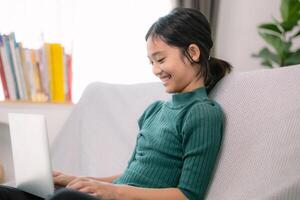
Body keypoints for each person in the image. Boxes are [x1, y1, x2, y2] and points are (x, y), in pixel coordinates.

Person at [0, 7, 231, 200]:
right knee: (9, 193)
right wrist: (75, 180)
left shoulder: (202, 114)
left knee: (65, 199)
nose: (155, 69)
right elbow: (128, 175)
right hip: (117, 195)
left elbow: (188, 195)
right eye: (151, 61)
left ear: (193, 52)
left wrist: (115, 192)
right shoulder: (154, 111)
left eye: (160, 59)